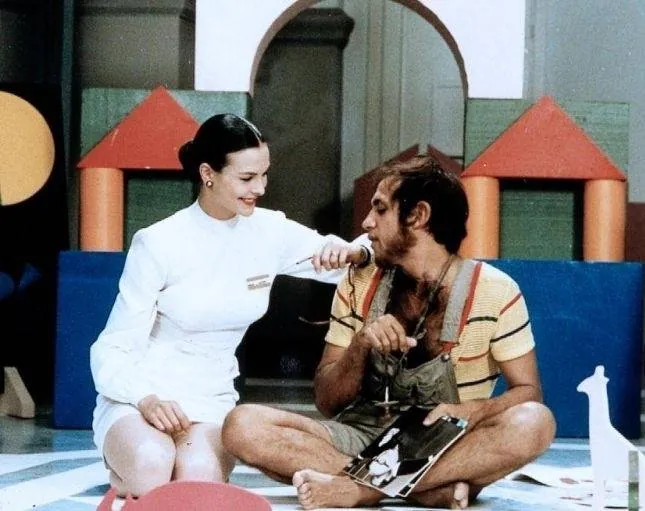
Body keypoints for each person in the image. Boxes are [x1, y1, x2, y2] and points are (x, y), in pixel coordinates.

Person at [222, 155, 556, 509]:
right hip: (359, 435)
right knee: (242, 425)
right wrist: (362, 343)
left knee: (535, 422)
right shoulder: (359, 282)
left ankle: (363, 489)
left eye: (380, 209)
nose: (367, 222)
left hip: (442, 441)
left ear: (418, 216)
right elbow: (327, 401)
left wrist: (474, 411)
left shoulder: (496, 291)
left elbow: (528, 391)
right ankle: (428, 490)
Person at [89, 113, 370, 497]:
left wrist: (354, 252)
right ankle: (122, 472)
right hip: (142, 397)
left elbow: (354, 258)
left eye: (264, 175)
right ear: (208, 173)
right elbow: (112, 347)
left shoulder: (270, 231)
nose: (261, 188)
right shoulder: (158, 242)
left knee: (196, 481)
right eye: (247, 178)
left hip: (210, 400)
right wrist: (146, 399)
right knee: (151, 467)